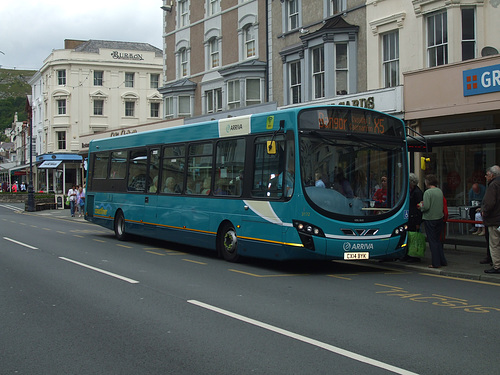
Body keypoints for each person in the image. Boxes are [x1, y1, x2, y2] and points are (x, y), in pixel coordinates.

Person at [419, 174, 447, 268]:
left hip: (430, 218)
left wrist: (420, 206)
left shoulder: (427, 192)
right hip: (439, 217)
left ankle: (436, 263)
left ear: (427, 182)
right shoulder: (439, 191)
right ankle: (442, 260)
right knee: (438, 240)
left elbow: (426, 206)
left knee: (432, 241)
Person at [480, 165, 500, 273]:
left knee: (495, 243)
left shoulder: (493, 185)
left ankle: (497, 265)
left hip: (494, 220)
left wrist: (485, 212)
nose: (486, 177)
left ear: (492, 175)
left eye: (487, 175)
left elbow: (489, 203)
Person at [403, 173, 423, 263]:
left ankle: (414, 255)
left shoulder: (417, 192)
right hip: (409, 217)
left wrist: (418, 222)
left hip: (414, 218)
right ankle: (408, 254)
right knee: (409, 236)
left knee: (414, 237)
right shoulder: (410, 191)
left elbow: (419, 208)